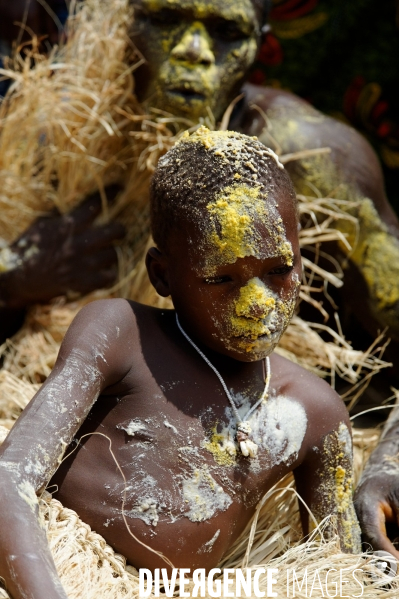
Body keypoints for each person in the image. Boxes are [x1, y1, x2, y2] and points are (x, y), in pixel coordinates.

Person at [0, 129, 361, 599]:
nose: (258, 303)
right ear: (162, 275)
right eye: (221, 277)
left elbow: (342, 574)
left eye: (278, 270)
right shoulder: (122, 333)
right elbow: (9, 482)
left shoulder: (318, 414)